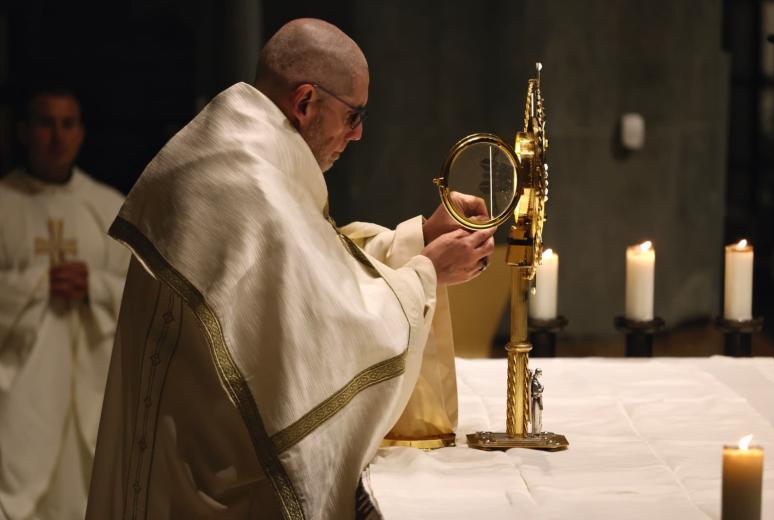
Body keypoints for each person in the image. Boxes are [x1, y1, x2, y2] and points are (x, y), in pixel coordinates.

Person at [86, 18, 495, 519]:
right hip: (214, 480)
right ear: (304, 103)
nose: (359, 133)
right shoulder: (248, 180)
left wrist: (419, 240)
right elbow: (332, 332)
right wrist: (424, 274)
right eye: (354, 115)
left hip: (197, 453)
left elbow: (313, 270)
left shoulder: (238, 142)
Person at [0, 87, 129, 519]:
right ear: (23, 131)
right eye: (45, 123)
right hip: (21, 398)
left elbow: (139, 294)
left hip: (89, 395)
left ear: (81, 133)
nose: (57, 136)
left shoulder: (107, 207)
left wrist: (94, 286)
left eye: (68, 124)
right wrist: (38, 285)